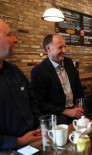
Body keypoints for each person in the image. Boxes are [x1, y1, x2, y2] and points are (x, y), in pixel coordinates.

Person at [0, 19, 41, 151]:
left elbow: (32, 100)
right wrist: (18, 141)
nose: (15, 39)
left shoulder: (14, 70)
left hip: (32, 143)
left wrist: (38, 125)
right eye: (9, 35)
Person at [31, 34, 84, 125]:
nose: (64, 50)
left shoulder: (69, 62)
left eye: (64, 47)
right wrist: (65, 111)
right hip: (57, 114)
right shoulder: (39, 71)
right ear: (48, 48)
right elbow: (40, 103)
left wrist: (79, 103)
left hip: (75, 108)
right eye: (60, 47)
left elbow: (77, 84)